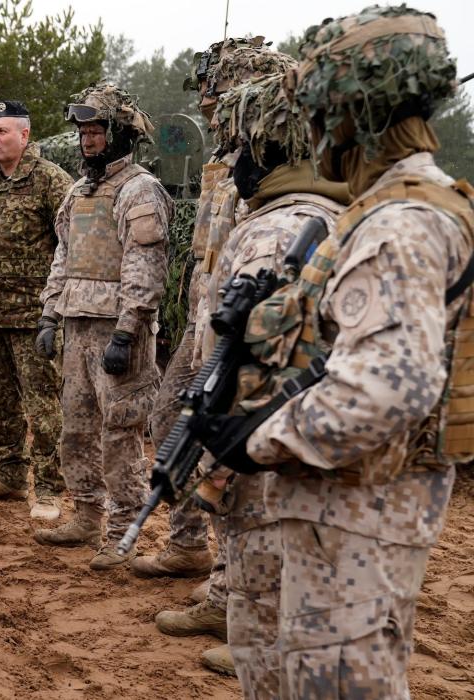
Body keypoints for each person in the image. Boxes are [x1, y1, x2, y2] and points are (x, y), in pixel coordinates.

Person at [195, 6, 470, 697]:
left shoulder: (400, 224)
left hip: (360, 517)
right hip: (344, 513)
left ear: (355, 114)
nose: (312, 135)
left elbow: (386, 388)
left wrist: (257, 440)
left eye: (320, 115)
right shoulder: (383, 210)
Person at [183, 72, 350, 696]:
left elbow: (256, 347)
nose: (232, 163)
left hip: (265, 429)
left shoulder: (278, 226)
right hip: (304, 428)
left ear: (270, 147)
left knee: (266, 569)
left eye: (241, 148)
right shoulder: (331, 210)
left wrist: (221, 432)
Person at [138, 44, 298, 677]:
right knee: (176, 426)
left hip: (252, 328)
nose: (204, 94)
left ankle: (246, 606)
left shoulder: (272, 159)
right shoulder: (221, 161)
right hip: (207, 318)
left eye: (214, 84)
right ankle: (202, 564)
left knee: (240, 465)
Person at [32, 84, 172, 570]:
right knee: (77, 428)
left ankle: (121, 532)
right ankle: (87, 514)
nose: (88, 141)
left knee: (120, 434)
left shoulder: (140, 190)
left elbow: (145, 266)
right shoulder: (78, 191)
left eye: (96, 131)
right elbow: (63, 257)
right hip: (76, 327)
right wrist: (50, 315)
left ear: (118, 134)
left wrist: (128, 330)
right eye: (84, 132)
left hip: (118, 335)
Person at [0, 100, 73, 521]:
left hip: (33, 316)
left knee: (43, 408)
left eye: (2, 132)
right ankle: (8, 475)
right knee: (0, 403)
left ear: (24, 136)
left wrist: (55, 308)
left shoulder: (49, 180)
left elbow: (70, 244)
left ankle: (47, 489)